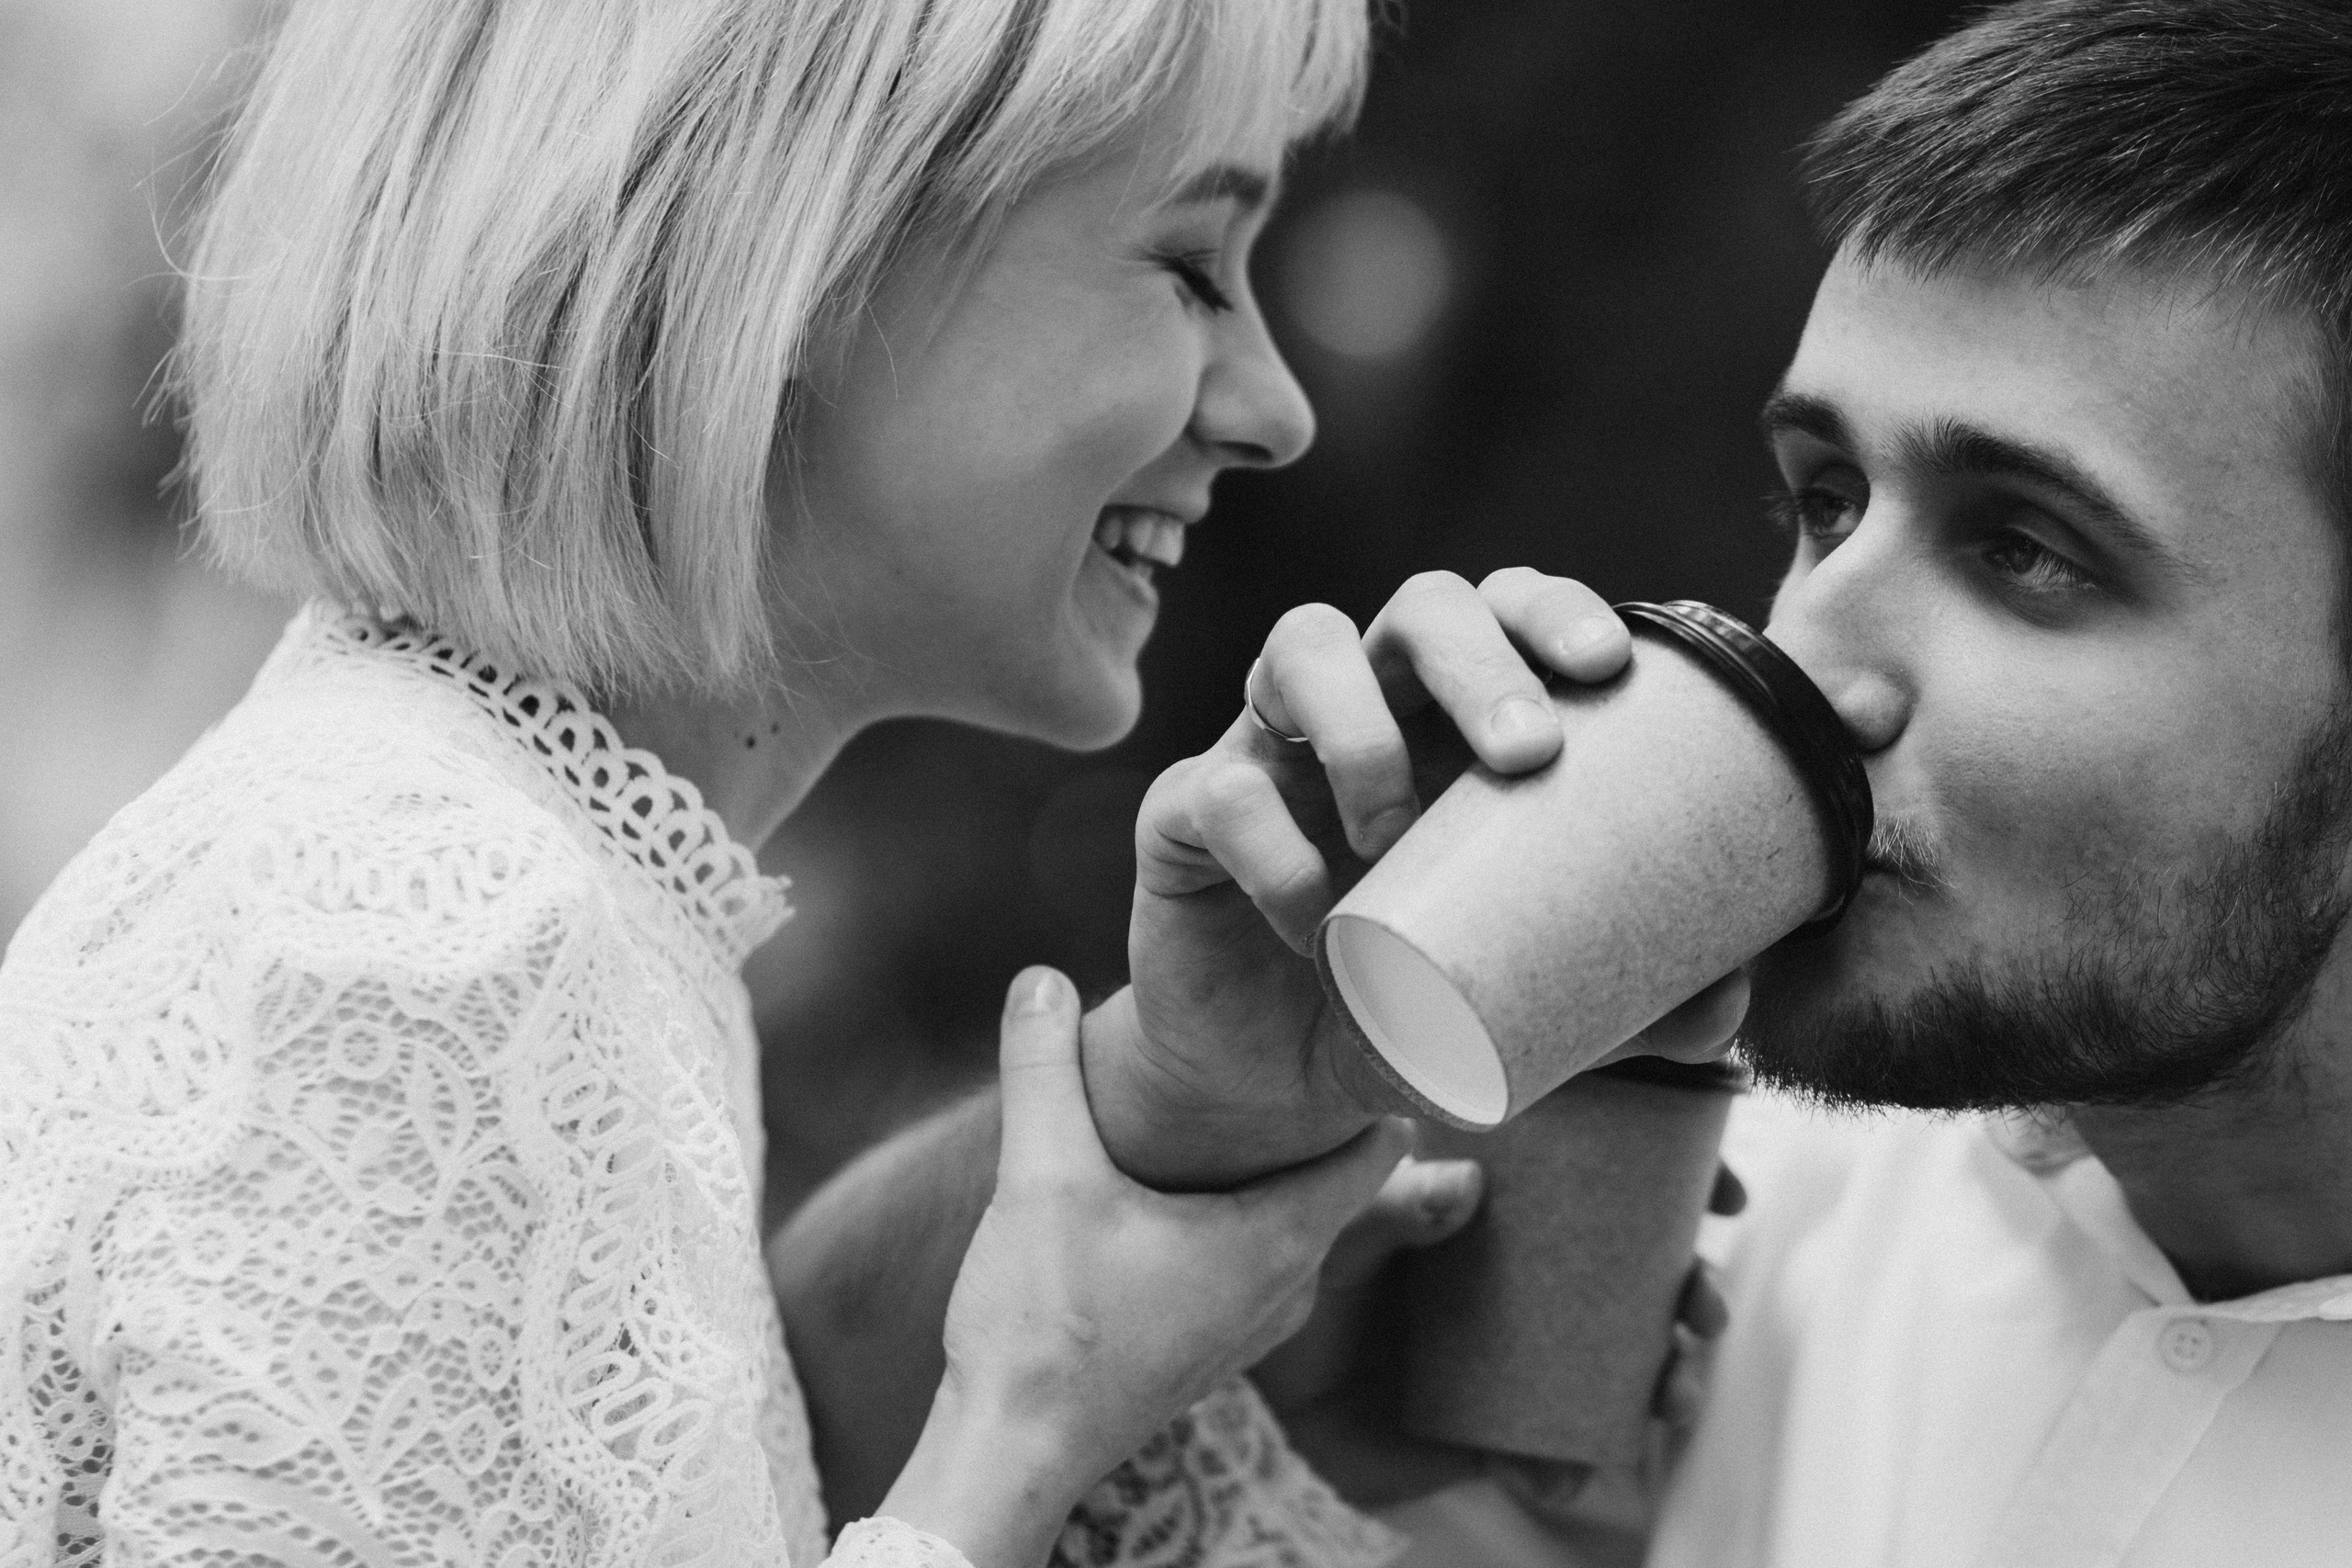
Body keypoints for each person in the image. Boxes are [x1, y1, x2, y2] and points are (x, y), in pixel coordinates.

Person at [0, 3, 1755, 1565]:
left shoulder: (517, 895)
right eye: (1188, 262)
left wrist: (1159, 1389)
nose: (1272, 406)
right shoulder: (424, 934)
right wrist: (1028, 1422)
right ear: (789, 257)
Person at [782, 1, 2352, 1563]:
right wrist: (1197, 1093)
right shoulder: (1716, 1209)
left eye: (2025, 550)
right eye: (1824, 501)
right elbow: (778, 1416)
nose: (1805, 652)